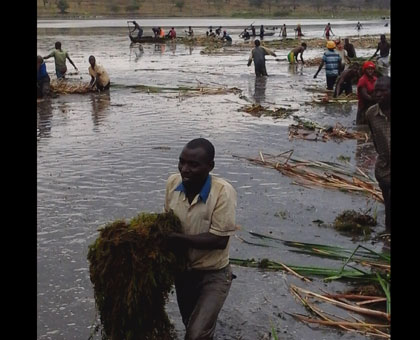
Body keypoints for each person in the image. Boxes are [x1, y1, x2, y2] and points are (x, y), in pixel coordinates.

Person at [164, 138, 237, 340]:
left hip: (214, 275)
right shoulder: (172, 184)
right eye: (182, 162)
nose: (185, 169)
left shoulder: (223, 192)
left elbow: (219, 240)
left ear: (209, 167)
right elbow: (167, 222)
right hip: (184, 274)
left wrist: (177, 239)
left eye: (193, 165)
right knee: (192, 327)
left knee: (195, 335)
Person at [366, 76, 391, 233]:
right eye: (376, 91)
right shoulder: (371, 114)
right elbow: (375, 139)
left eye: (383, 91)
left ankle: (388, 231)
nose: (379, 94)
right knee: (387, 200)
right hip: (384, 167)